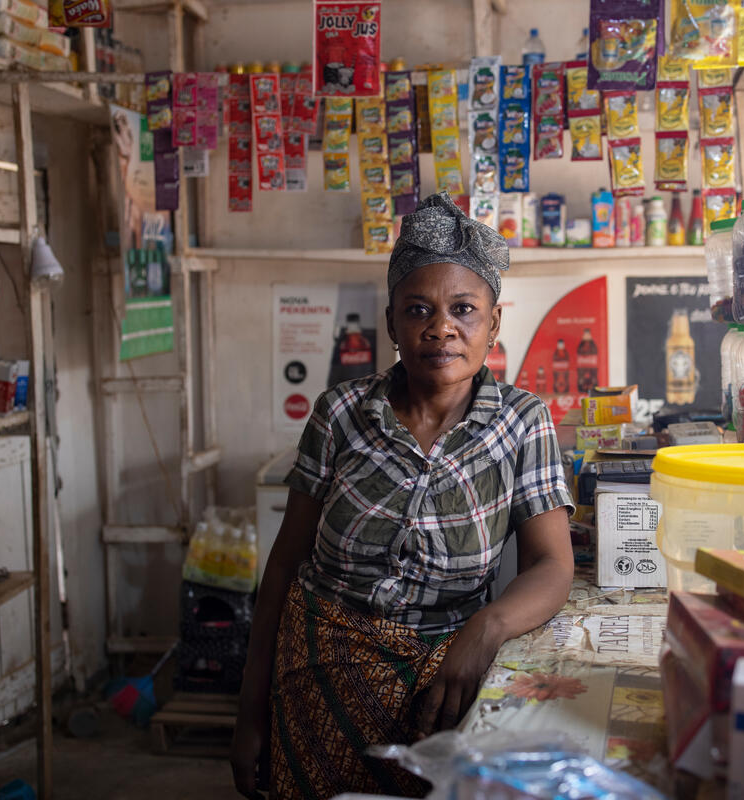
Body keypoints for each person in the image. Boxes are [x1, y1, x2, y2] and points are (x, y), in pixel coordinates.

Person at [230, 192, 575, 799]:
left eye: (463, 309)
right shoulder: (340, 414)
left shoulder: (523, 422)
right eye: (418, 310)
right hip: (317, 682)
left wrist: (485, 630)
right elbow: (283, 565)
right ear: (392, 323)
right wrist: (249, 712)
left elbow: (552, 565)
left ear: (493, 323)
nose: (441, 327)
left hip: (446, 688)